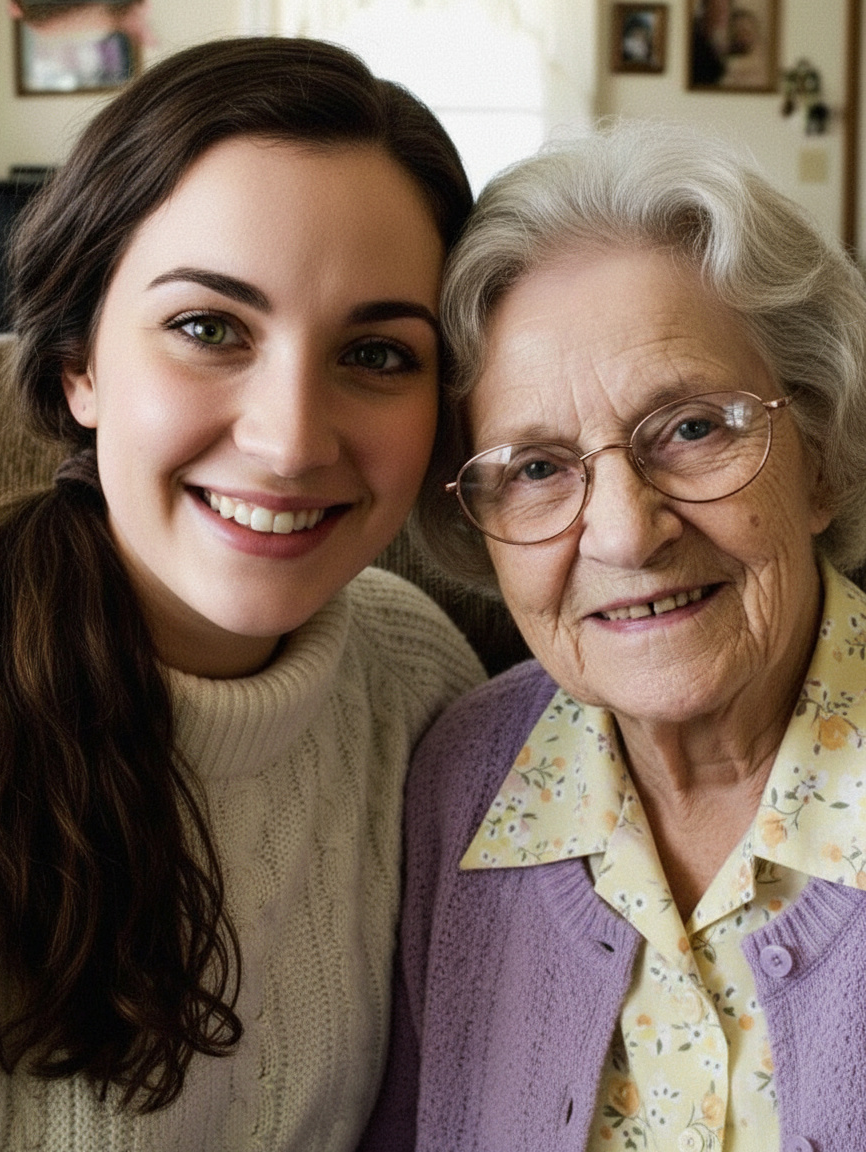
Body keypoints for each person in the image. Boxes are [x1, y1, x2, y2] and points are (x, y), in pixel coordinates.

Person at [0, 36, 484, 1152]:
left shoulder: (419, 683)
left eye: (379, 354)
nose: (290, 442)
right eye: (209, 329)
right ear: (79, 365)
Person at [359, 122, 866, 1151]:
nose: (627, 532)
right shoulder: (458, 785)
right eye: (536, 468)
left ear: (816, 455)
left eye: (691, 427)